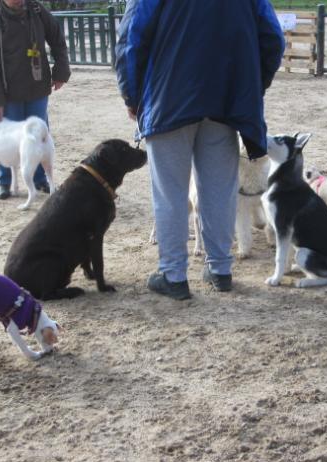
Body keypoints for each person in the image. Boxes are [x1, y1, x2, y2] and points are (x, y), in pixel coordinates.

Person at [115, 0, 284, 300]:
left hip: (168, 101)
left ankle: (173, 274)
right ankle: (220, 269)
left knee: (171, 193)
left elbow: (131, 37)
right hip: (225, 101)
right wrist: (250, 85)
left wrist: (132, 94)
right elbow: (273, 38)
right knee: (220, 189)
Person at [0, 0, 70, 199]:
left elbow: (57, 38)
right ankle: (4, 182)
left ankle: (39, 180)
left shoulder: (37, 10)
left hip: (37, 87)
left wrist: (61, 70)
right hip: (7, 94)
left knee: (37, 137)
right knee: (6, 139)